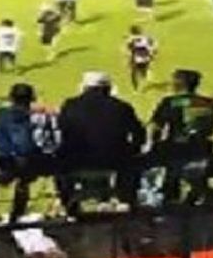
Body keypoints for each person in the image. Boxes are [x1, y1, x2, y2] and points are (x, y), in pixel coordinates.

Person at [57, 73, 146, 215]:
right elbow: (139, 134)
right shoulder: (121, 106)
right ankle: (127, 199)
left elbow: (62, 131)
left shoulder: (70, 105)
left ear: (85, 88)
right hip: (115, 159)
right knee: (135, 161)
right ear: (108, 88)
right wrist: (132, 150)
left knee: (59, 164)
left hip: (78, 159)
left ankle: (69, 204)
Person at [150, 69, 213, 205]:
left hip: (177, 147)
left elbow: (157, 127)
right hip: (202, 148)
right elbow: (211, 129)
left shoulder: (170, 102)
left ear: (179, 84)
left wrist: (154, 145)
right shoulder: (209, 103)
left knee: (165, 168)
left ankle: (169, 195)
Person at [0, 83, 40, 225]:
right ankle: (16, 217)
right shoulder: (35, 117)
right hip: (30, 163)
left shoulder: (1, 114)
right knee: (23, 183)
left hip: (7, 162)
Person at [125, 25, 157, 92]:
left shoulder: (131, 39)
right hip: (145, 58)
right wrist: (152, 55)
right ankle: (145, 84)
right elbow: (153, 46)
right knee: (144, 72)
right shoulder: (146, 38)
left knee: (134, 73)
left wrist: (129, 59)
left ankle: (136, 88)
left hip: (136, 58)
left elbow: (129, 50)